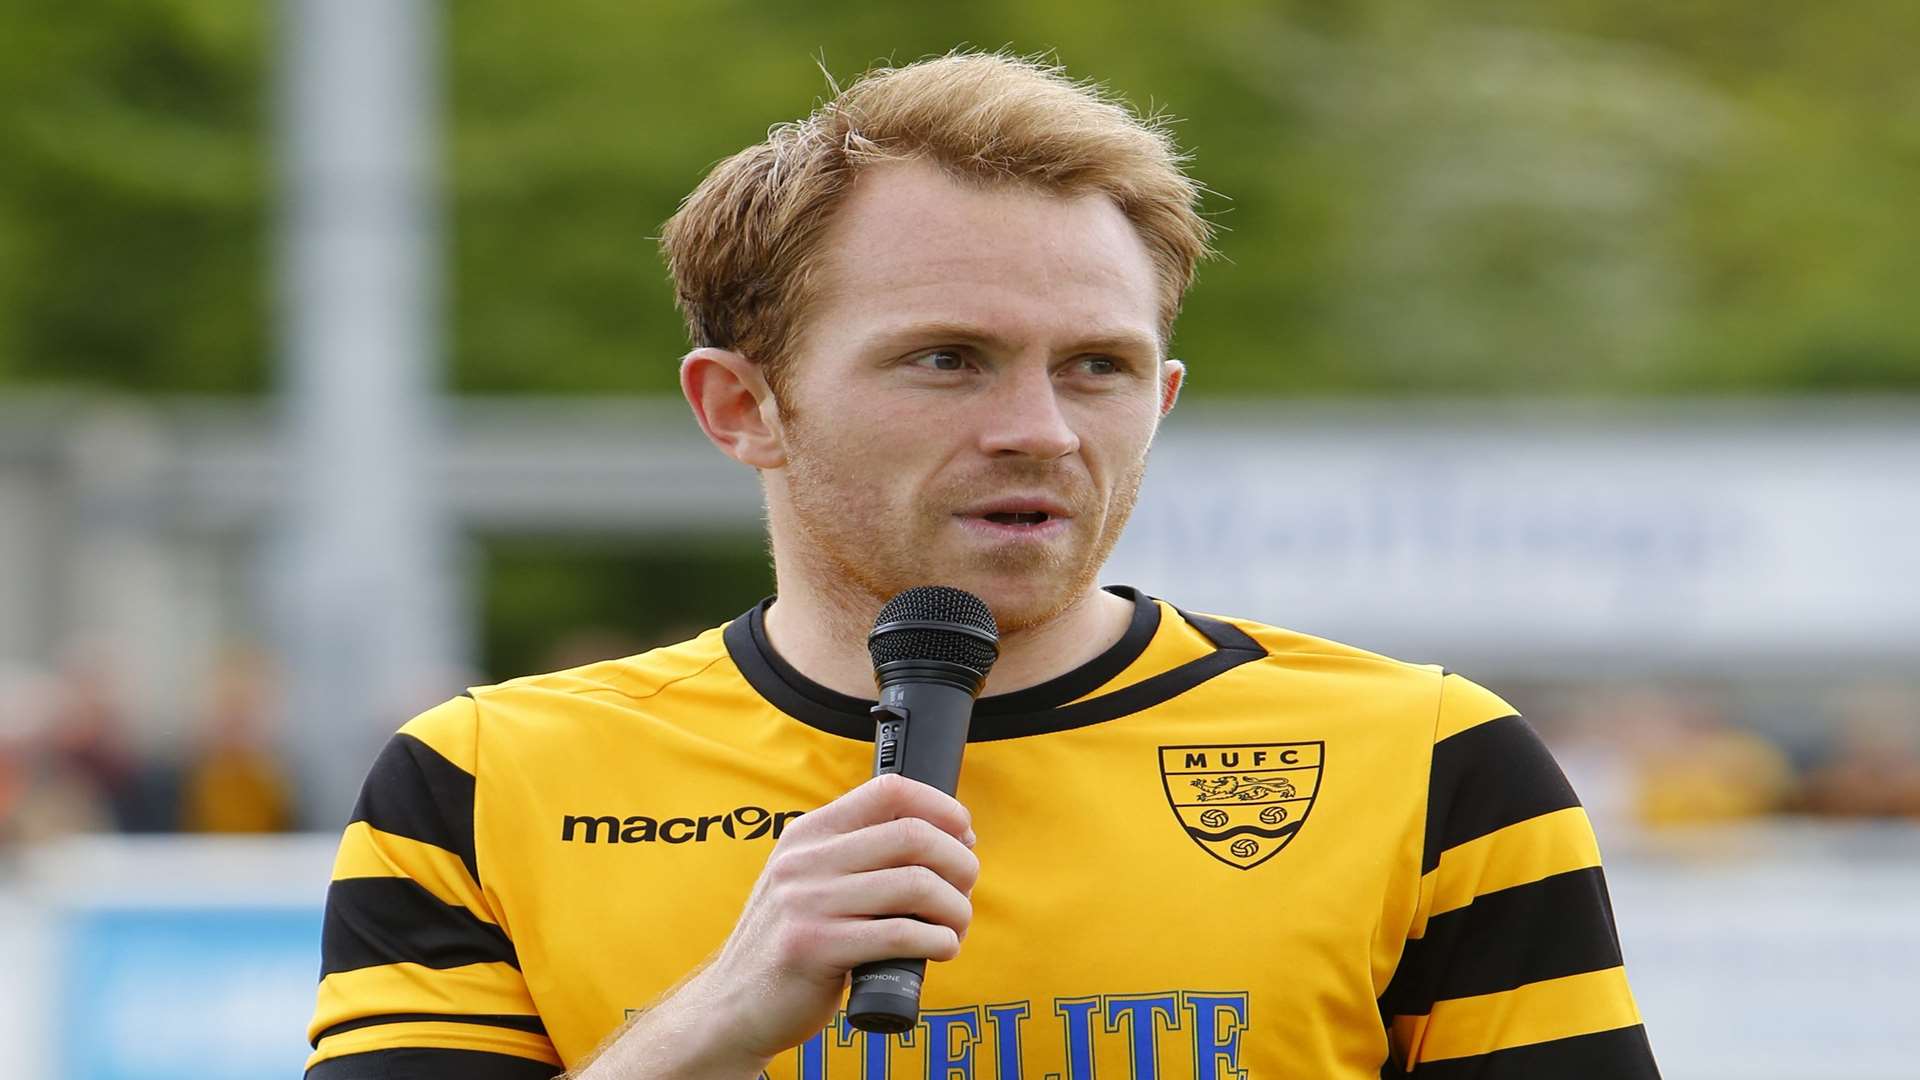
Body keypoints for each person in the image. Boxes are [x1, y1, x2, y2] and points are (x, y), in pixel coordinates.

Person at [306, 52, 1659, 1079]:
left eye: (1098, 368)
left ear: (1164, 398)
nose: (1041, 431)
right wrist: (706, 1027)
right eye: (946, 360)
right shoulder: (484, 785)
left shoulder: (1430, 763)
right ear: (741, 406)